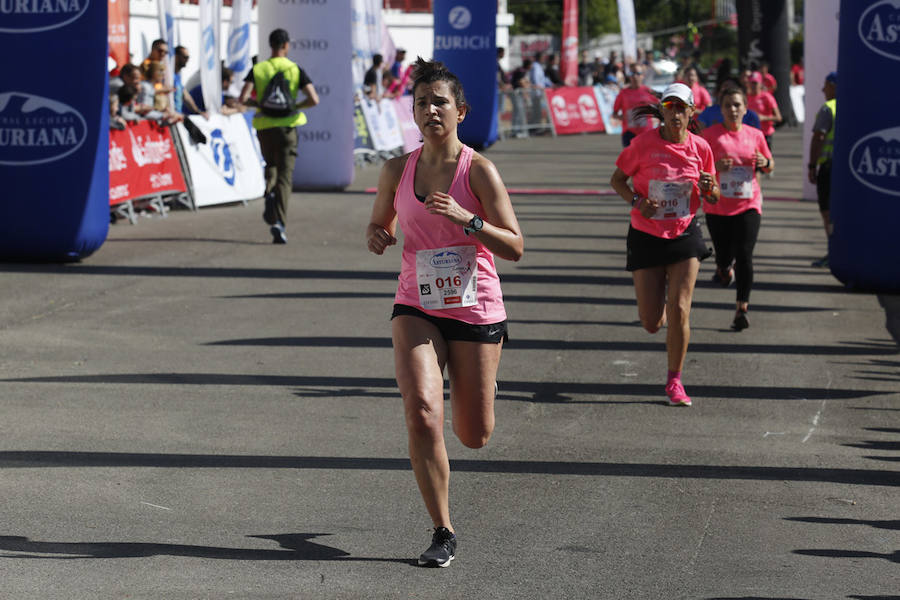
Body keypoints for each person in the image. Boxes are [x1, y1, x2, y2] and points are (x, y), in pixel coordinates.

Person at [365, 57, 524, 567]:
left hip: (475, 307)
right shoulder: (396, 169)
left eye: (440, 102)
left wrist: (468, 219)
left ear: (461, 110)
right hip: (417, 303)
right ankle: (443, 529)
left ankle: (481, 380)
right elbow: (379, 224)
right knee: (422, 412)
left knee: (473, 434)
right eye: (421, 102)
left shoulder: (478, 170)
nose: (430, 110)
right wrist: (379, 235)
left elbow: (515, 247)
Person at [609, 83, 719, 406]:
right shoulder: (642, 145)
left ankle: (675, 381)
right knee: (651, 322)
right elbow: (617, 180)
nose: (675, 114)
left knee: (681, 308)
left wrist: (710, 188)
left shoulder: (701, 148)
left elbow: (713, 195)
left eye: (681, 107)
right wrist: (637, 201)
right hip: (646, 234)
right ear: (660, 111)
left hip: (685, 234)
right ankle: (664, 316)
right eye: (668, 107)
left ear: (691, 112)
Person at [700, 85, 773, 330]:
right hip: (717, 206)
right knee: (723, 256)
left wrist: (765, 162)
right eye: (728, 105)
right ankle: (723, 268)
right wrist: (716, 167)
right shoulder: (710, 136)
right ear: (720, 109)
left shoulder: (755, 135)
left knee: (744, 255)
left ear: (745, 109)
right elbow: (699, 170)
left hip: (749, 204)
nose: (733, 109)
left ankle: (741, 308)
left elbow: (769, 164)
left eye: (737, 105)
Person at [239, 28, 319, 244]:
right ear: (286, 45)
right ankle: (279, 222)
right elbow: (314, 99)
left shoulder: (259, 69)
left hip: (264, 126)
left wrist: (260, 105)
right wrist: (295, 105)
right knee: (284, 176)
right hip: (288, 127)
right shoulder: (294, 69)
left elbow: (243, 97)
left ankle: (268, 194)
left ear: (270, 45)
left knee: (271, 165)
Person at [808, 71, 837, 268]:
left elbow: (818, 137)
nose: (822, 89)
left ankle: (833, 253)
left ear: (834, 86)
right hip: (847, 168)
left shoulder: (829, 108)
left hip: (829, 166)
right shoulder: (856, 104)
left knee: (827, 212)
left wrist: (812, 165)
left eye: (826, 85)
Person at [612, 64, 658, 147]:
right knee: (630, 159)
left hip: (646, 132)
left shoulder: (648, 91)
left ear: (642, 76)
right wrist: (622, 117)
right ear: (629, 76)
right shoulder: (623, 93)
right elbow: (614, 114)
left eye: (638, 73)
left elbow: (660, 107)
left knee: (647, 159)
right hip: (629, 133)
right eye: (632, 74)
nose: (635, 76)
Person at [696, 78, 762, 131]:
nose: (732, 109)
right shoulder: (708, 112)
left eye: (737, 105)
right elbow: (700, 133)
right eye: (725, 89)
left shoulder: (752, 116)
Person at [746, 71, 781, 150]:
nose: (753, 85)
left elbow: (778, 117)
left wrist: (763, 118)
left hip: (765, 133)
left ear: (760, 84)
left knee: (765, 159)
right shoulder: (746, 97)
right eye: (751, 83)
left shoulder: (767, 97)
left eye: (755, 83)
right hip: (750, 133)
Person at [173, 46, 208, 118]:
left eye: (188, 57)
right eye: (185, 57)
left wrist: (198, 111)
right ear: (176, 57)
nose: (187, 60)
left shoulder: (177, 76)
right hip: (170, 117)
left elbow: (185, 96)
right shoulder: (168, 76)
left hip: (177, 116)